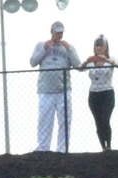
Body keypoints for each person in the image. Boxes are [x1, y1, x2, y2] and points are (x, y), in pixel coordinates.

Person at [31, 23, 82, 152]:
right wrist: (44, 49)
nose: (59, 35)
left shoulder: (68, 47)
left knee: (65, 120)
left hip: (63, 90)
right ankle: (43, 148)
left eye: (61, 33)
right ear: (51, 32)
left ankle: (62, 149)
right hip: (45, 89)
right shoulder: (41, 45)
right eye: (57, 32)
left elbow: (78, 65)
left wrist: (69, 49)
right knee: (44, 120)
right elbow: (32, 62)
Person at [84, 38, 118, 151]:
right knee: (98, 121)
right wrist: (86, 61)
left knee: (105, 119)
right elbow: (80, 68)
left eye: (101, 45)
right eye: (96, 46)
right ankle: (103, 147)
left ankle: (109, 145)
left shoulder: (110, 59)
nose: (98, 48)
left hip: (107, 93)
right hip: (94, 94)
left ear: (106, 47)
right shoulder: (92, 61)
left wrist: (107, 60)